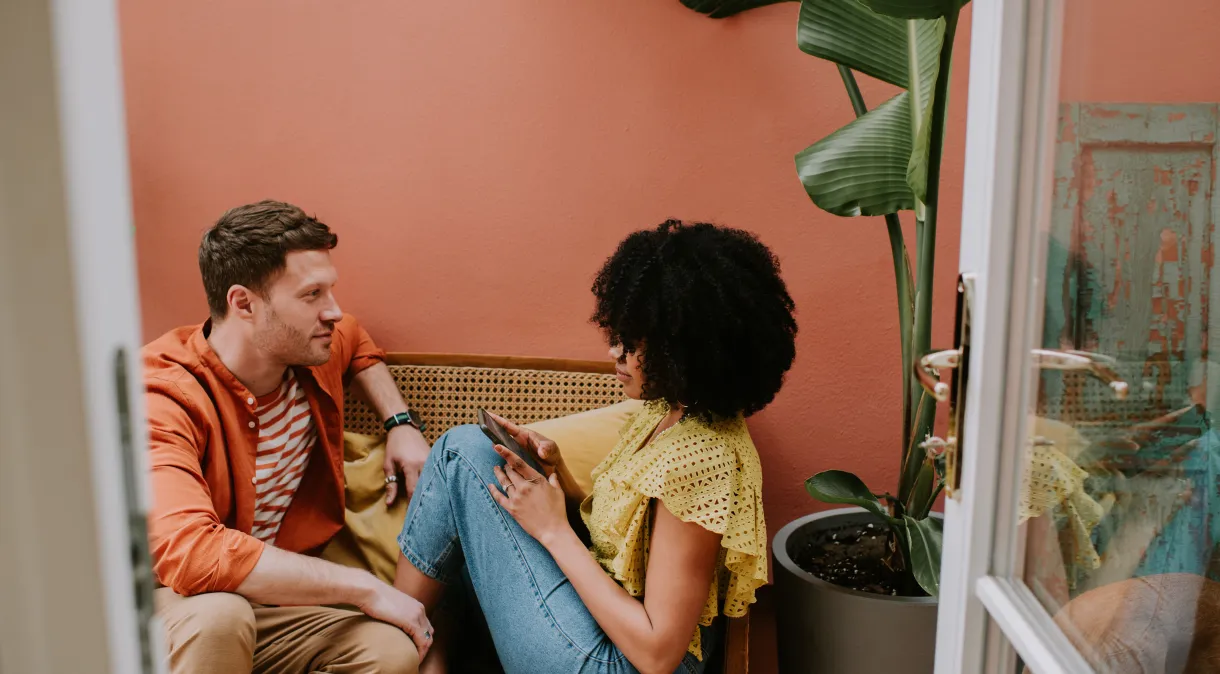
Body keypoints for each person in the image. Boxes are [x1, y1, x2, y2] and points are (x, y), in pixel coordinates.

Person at [393, 220, 798, 674]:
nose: (614, 353)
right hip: (604, 628)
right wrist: (554, 474)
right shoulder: (667, 411)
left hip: (618, 663)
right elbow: (624, 542)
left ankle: (394, 636)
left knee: (459, 453)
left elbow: (658, 654)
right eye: (617, 334)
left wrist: (553, 530)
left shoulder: (703, 458)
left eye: (631, 342)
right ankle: (421, 649)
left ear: (683, 349)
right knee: (470, 487)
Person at [143, 200, 433, 673]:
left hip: (266, 606)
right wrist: (364, 586)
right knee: (220, 615)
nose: (333, 311)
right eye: (311, 294)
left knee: (388, 652)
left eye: (330, 290)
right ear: (243, 304)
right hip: (169, 603)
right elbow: (193, 554)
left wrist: (400, 424)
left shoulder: (306, 351)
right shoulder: (163, 394)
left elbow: (357, 341)